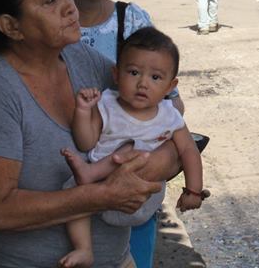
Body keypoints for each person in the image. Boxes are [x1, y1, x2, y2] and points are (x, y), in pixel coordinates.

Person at [0, 0, 181, 267]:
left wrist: (154, 163)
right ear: (11, 26)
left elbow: (161, 117)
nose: (69, 6)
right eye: (49, 0)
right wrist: (104, 195)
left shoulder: (78, 58)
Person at [41, 0, 185, 268]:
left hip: (126, 192)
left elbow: (169, 108)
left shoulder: (131, 22)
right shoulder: (40, 30)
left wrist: (156, 162)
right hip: (56, 190)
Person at [60, 27, 205, 268]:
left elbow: (189, 151)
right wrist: (83, 112)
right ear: (116, 74)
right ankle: (84, 248)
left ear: (171, 86)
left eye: (155, 77)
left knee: (128, 153)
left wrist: (194, 190)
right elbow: (86, 141)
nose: (143, 84)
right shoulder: (106, 103)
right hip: (96, 188)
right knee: (71, 191)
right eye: (134, 72)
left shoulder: (169, 115)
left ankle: (90, 175)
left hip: (142, 196)